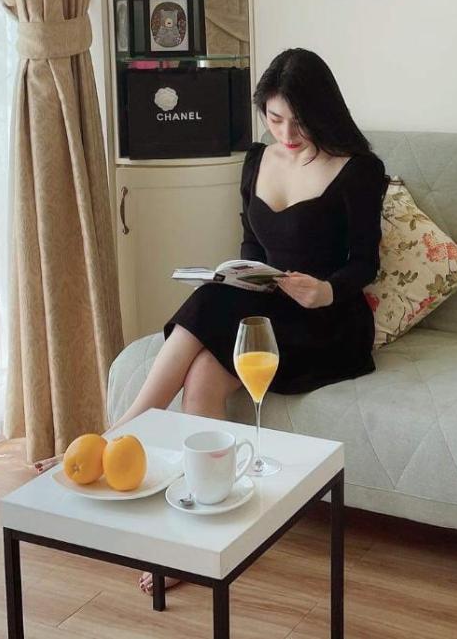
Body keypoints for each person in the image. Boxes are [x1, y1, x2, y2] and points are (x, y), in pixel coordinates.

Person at [109, 47, 386, 596]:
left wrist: (326, 290)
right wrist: (245, 275)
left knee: (211, 303)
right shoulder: (257, 159)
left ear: (323, 113)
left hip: (327, 322)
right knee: (202, 376)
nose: (286, 134)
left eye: (299, 122)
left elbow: (364, 263)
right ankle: (199, 536)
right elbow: (252, 246)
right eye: (275, 119)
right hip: (268, 308)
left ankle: (124, 430)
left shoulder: (359, 169)